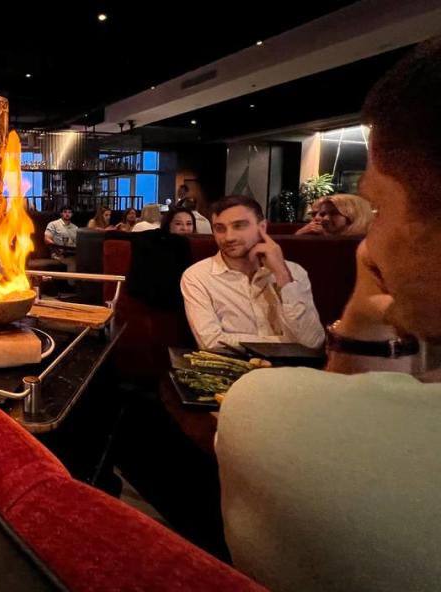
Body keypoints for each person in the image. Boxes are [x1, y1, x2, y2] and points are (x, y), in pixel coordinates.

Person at [217, 38, 441, 592]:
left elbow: (319, 363)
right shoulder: (197, 277)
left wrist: (295, 286)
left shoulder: (267, 413)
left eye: (380, 207)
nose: (369, 244)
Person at [180, 195, 325, 351]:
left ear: (262, 227)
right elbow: (211, 343)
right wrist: (287, 342)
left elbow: (312, 342)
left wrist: (282, 275)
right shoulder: (198, 276)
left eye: (239, 226)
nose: (229, 237)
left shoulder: (294, 272)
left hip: (293, 371)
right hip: (235, 370)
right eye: (220, 228)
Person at [295, 193, 374, 236]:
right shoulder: (317, 237)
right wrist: (298, 236)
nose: (325, 218)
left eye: (334, 213)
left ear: (354, 216)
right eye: (323, 214)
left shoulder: (367, 246)